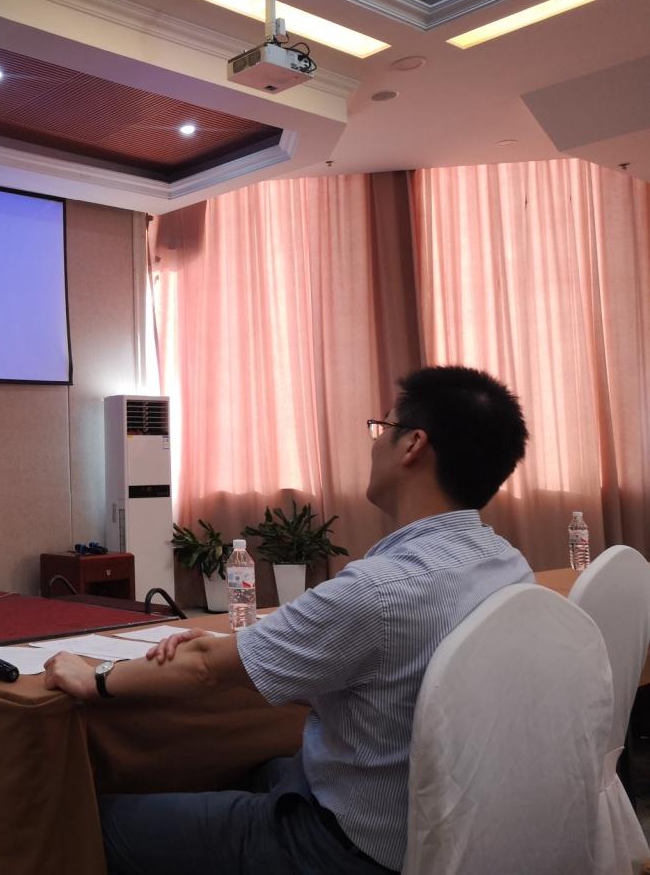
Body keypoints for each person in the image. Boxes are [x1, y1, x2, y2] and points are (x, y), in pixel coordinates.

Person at [44, 365, 532, 875]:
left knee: (88, 824)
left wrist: (95, 678)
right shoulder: (506, 564)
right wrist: (255, 653)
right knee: (262, 767)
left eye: (382, 427)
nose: (374, 443)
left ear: (412, 445)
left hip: (346, 847)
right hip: (441, 825)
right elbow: (405, 678)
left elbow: (204, 668)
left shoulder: (378, 590)